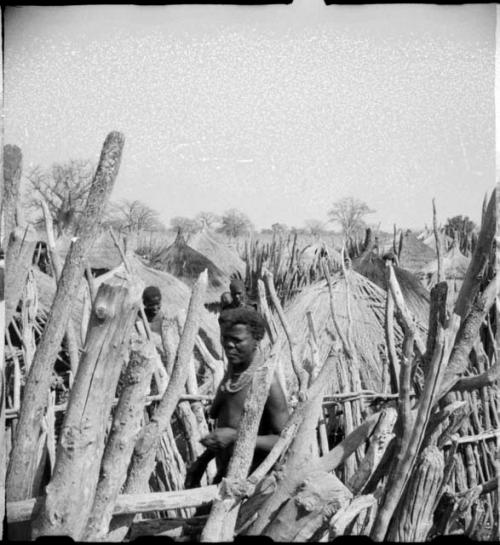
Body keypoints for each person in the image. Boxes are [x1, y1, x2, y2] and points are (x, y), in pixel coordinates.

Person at [186, 307, 289, 487]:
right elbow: (225, 432)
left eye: (237, 340)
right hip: (227, 476)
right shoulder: (232, 376)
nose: (229, 345)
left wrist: (235, 436)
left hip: (255, 483)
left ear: (256, 340)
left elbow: (284, 441)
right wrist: (201, 462)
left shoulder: (267, 384)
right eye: (225, 338)